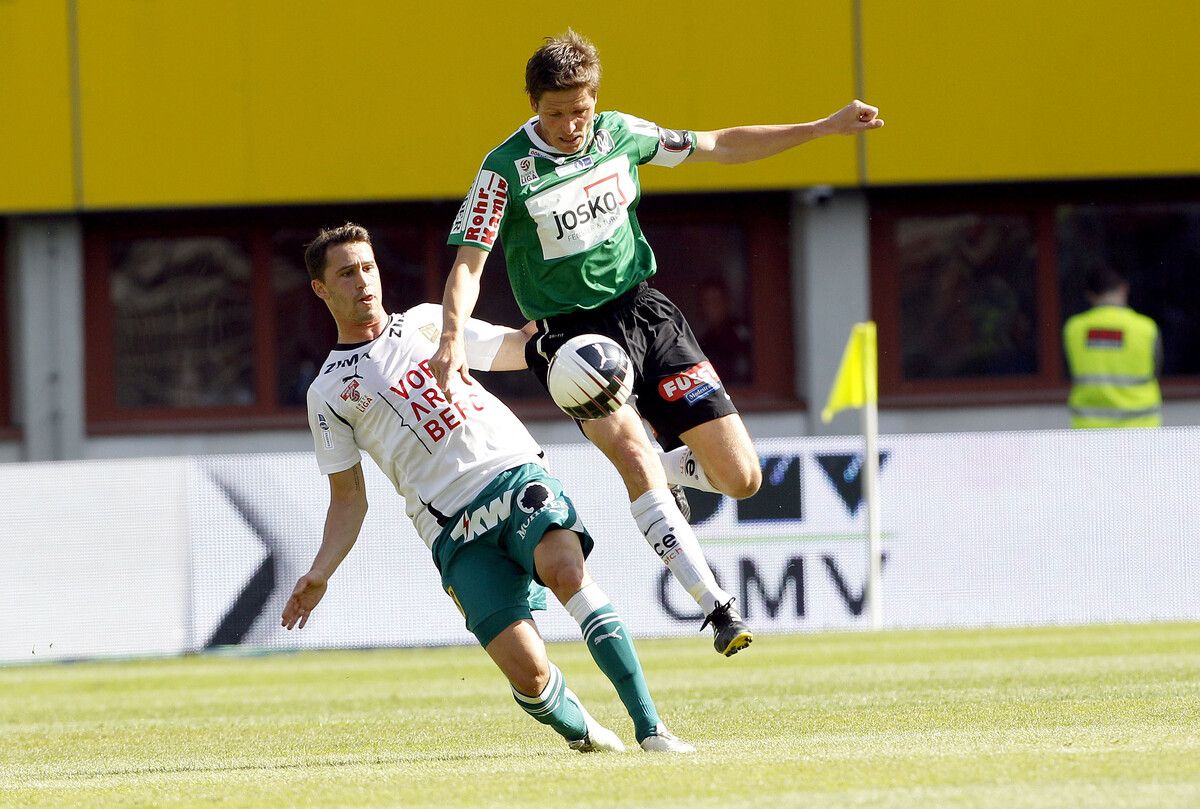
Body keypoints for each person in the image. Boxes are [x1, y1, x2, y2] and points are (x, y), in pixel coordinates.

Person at [432, 29, 884, 655]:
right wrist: (452, 337)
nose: (569, 126)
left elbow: (720, 145)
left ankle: (665, 468)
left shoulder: (621, 134)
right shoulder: (504, 170)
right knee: (631, 452)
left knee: (742, 479)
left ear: (595, 99)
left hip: (648, 314)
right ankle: (718, 608)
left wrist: (823, 127)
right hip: (571, 339)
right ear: (533, 105)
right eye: (555, 114)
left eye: (579, 110)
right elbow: (468, 264)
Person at [282, 223, 695, 754]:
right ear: (320, 289)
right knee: (530, 676)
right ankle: (586, 732)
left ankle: (652, 729)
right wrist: (320, 571)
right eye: (346, 273)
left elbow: (517, 348)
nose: (363, 281)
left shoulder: (430, 322)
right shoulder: (327, 392)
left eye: (368, 267)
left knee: (567, 572)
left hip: (513, 473)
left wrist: (565, 320)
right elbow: (349, 498)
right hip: (451, 529)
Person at [1063, 266, 1163, 428]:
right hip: (1140, 427)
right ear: (1124, 288)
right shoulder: (1146, 328)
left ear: (1090, 294)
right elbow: (1156, 370)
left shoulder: (1074, 328)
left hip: (1089, 429)